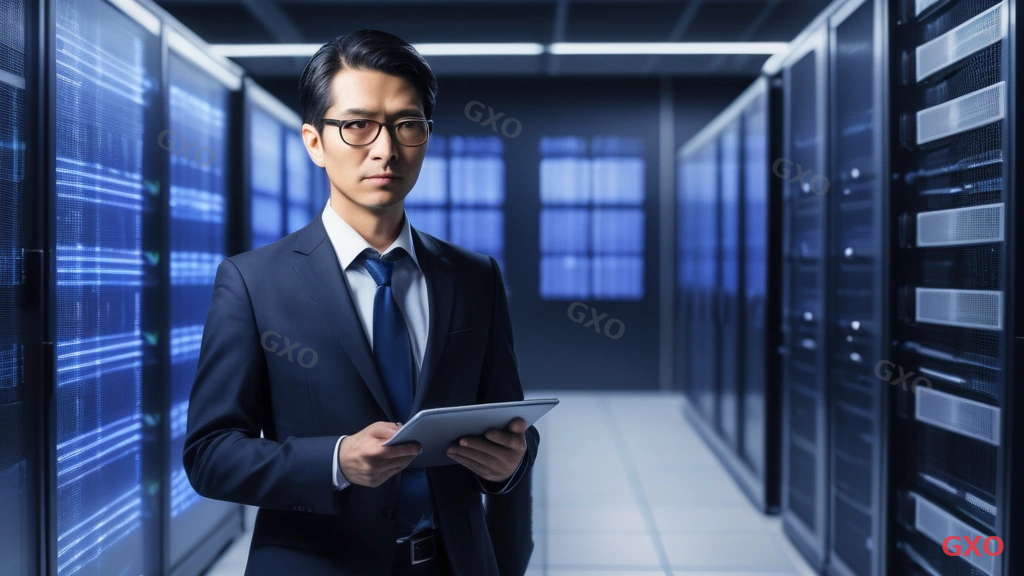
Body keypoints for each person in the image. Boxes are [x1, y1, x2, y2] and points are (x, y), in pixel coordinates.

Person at [182, 29, 539, 576]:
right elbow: (210, 455)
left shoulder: (474, 277)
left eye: (407, 124)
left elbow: (509, 428)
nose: (385, 149)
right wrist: (335, 461)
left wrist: (507, 468)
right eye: (357, 125)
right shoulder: (253, 282)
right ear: (314, 142)